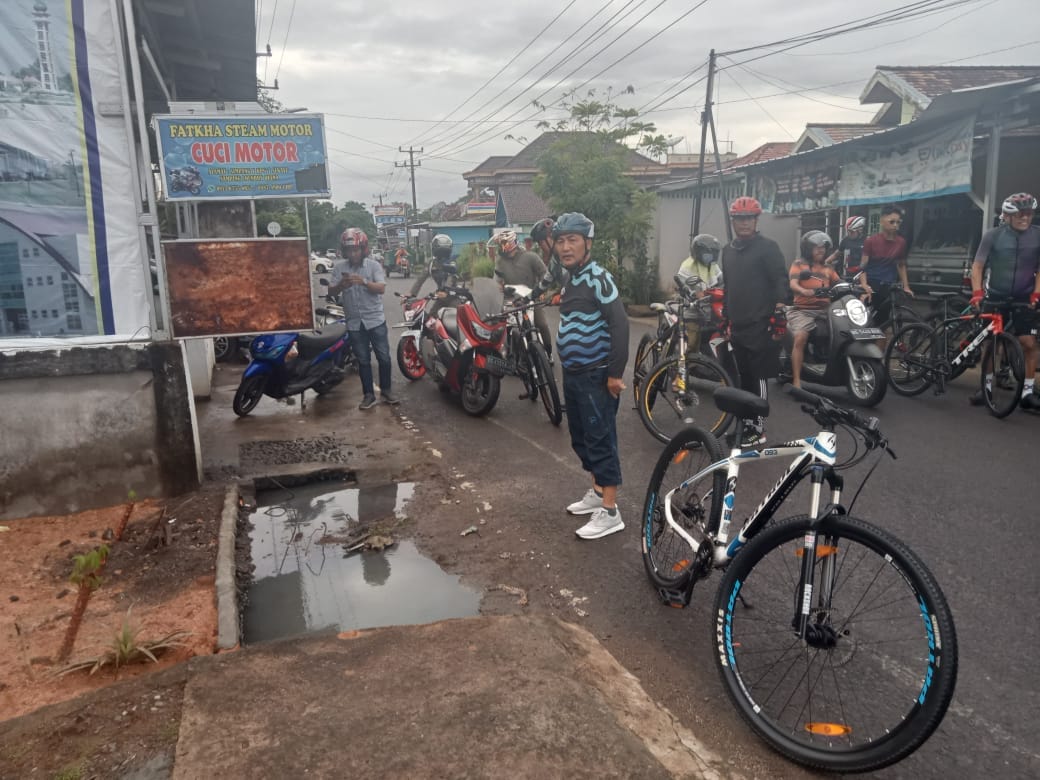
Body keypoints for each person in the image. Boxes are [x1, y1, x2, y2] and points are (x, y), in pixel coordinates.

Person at [553, 213, 629, 540]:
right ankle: (598, 492)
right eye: (560, 240)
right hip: (573, 374)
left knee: (601, 440)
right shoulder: (572, 278)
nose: (565, 247)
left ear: (587, 243)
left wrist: (614, 374)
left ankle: (611, 512)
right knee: (580, 438)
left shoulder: (599, 278)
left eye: (572, 240)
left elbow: (620, 325)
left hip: (596, 375)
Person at [719, 196, 789, 447]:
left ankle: (758, 428)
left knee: (759, 376)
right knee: (744, 375)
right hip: (738, 325)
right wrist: (725, 317)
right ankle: (747, 422)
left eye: (749, 218)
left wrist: (780, 310)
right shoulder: (727, 251)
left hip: (761, 323)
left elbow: (780, 281)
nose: (744, 223)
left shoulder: (768, 248)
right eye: (740, 219)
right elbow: (729, 287)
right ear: (734, 221)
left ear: (756, 220)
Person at [967, 192, 1040, 410]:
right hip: (996, 296)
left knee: (1029, 343)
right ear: (1007, 216)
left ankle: (1027, 393)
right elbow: (978, 266)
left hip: (1024, 297)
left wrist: (1037, 293)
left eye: (1028, 213)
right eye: (1019, 214)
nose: (1024, 218)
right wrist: (977, 292)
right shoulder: (993, 235)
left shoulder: (1037, 235)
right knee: (991, 345)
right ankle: (986, 387)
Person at [328, 228, 399, 409]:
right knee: (363, 361)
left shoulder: (373, 266)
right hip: (354, 322)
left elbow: (381, 288)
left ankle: (386, 390)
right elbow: (330, 291)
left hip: (375, 320)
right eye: (350, 250)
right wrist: (341, 286)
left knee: (384, 357)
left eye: (357, 250)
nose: (353, 253)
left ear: (364, 249)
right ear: (344, 251)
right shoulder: (339, 268)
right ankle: (368, 395)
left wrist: (364, 282)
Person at [787, 231, 843, 389]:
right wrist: (803, 291)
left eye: (823, 247)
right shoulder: (799, 265)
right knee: (800, 337)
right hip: (802, 310)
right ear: (807, 249)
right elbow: (793, 283)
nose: (821, 250)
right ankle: (797, 380)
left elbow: (839, 283)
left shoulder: (828, 269)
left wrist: (858, 288)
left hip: (826, 310)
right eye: (817, 247)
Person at [489, 229, 554, 358]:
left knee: (541, 324)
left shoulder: (530, 257)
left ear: (511, 243)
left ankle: (548, 351)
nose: (501, 247)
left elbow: (544, 275)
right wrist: (495, 290)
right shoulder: (500, 262)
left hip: (532, 297)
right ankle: (507, 354)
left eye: (503, 243)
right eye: (499, 244)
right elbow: (496, 280)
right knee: (500, 326)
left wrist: (541, 292)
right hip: (511, 300)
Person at [861, 206, 912, 329]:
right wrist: (864, 285)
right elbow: (863, 267)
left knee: (883, 324)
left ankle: (880, 348)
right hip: (871, 285)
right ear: (882, 221)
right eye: (892, 221)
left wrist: (906, 287)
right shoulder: (871, 241)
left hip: (889, 286)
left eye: (898, 222)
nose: (895, 225)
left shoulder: (901, 242)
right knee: (864, 321)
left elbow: (901, 264)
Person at [408, 234, 458, 298]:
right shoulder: (431, 263)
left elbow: (451, 277)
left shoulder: (452, 262)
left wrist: (446, 291)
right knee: (429, 307)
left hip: (455, 296)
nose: (442, 255)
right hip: (441, 295)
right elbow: (420, 279)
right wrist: (412, 294)